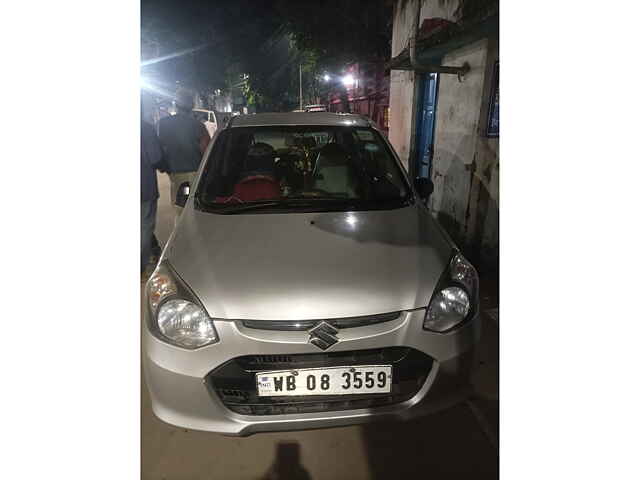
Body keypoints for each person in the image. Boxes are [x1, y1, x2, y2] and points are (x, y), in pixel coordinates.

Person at [158, 89, 210, 220]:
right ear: (191, 105)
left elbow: (161, 149)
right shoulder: (198, 125)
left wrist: (167, 168)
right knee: (194, 207)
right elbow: (206, 151)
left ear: (175, 104)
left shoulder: (164, 124)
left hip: (175, 174)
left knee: (180, 208)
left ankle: (182, 233)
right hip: (195, 173)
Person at [141, 119, 164, 274]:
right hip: (144, 186)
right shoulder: (144, 128)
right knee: (145, 225)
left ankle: (153, 250)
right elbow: (156, 157)